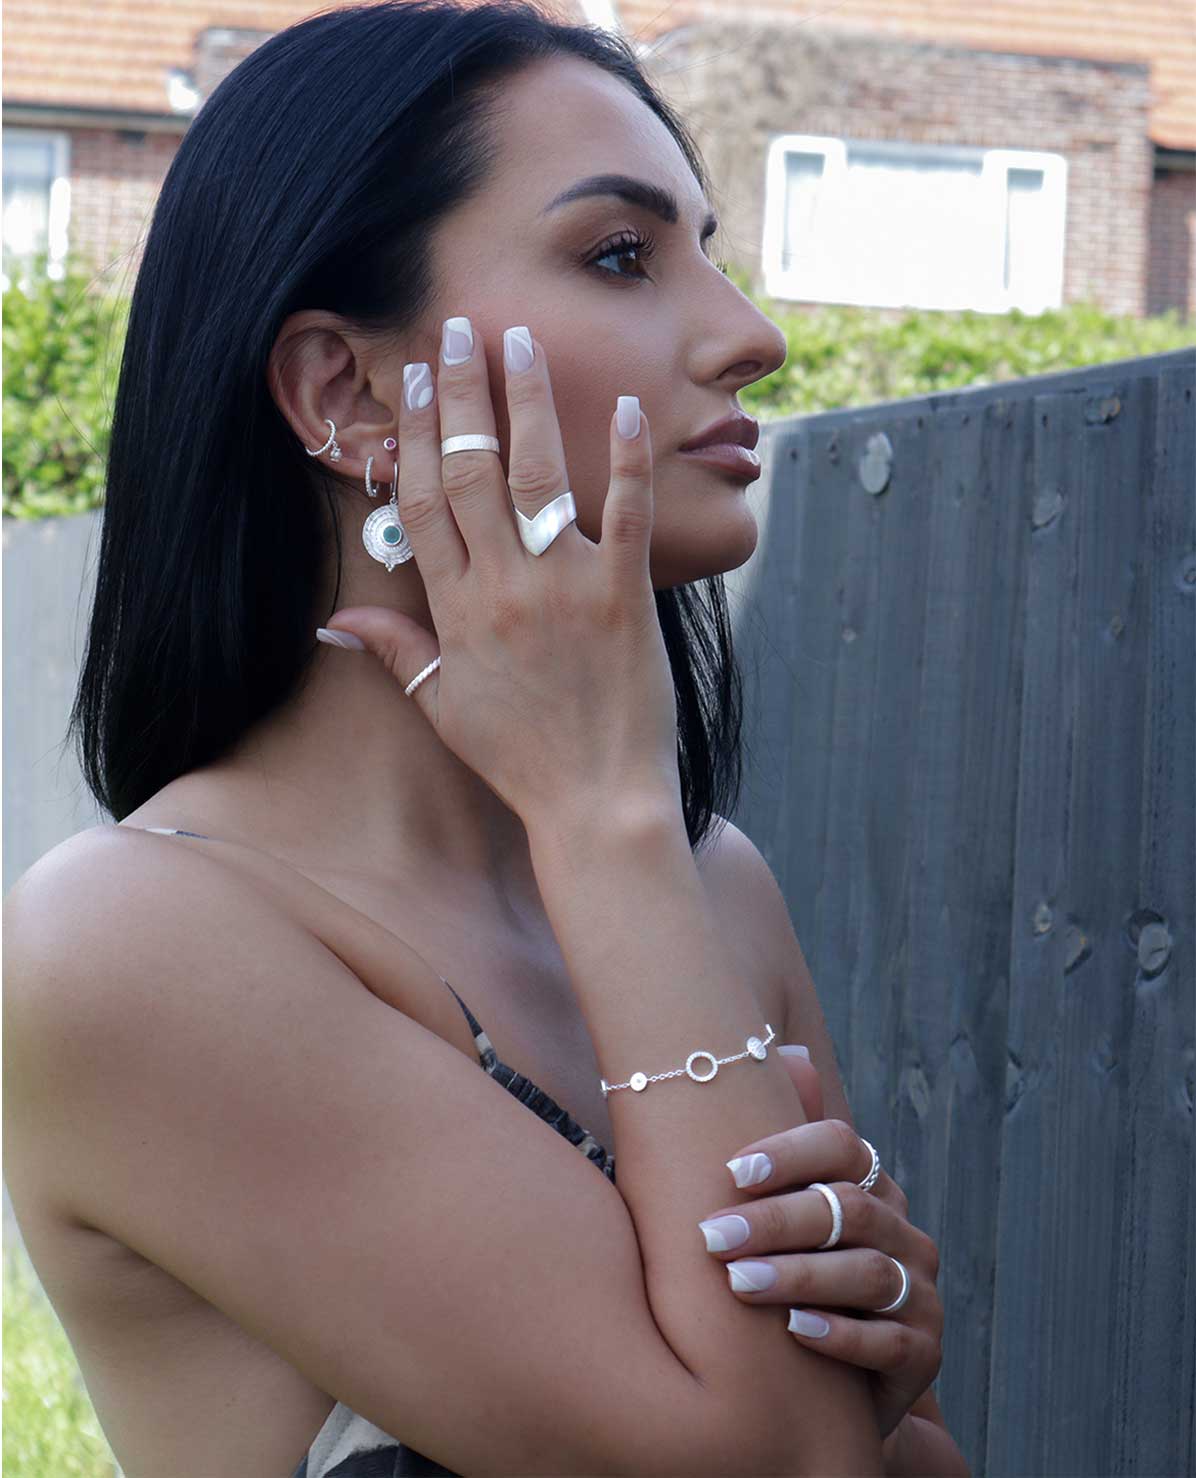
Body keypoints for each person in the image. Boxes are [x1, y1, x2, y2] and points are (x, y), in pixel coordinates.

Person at [3, 4, 954, 1475]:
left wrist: (884, 1376)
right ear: (345, 392)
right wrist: (602, 815)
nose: (751, 336)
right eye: (624, 256)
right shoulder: (125, 947)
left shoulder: (711, 880)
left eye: (710, 248)